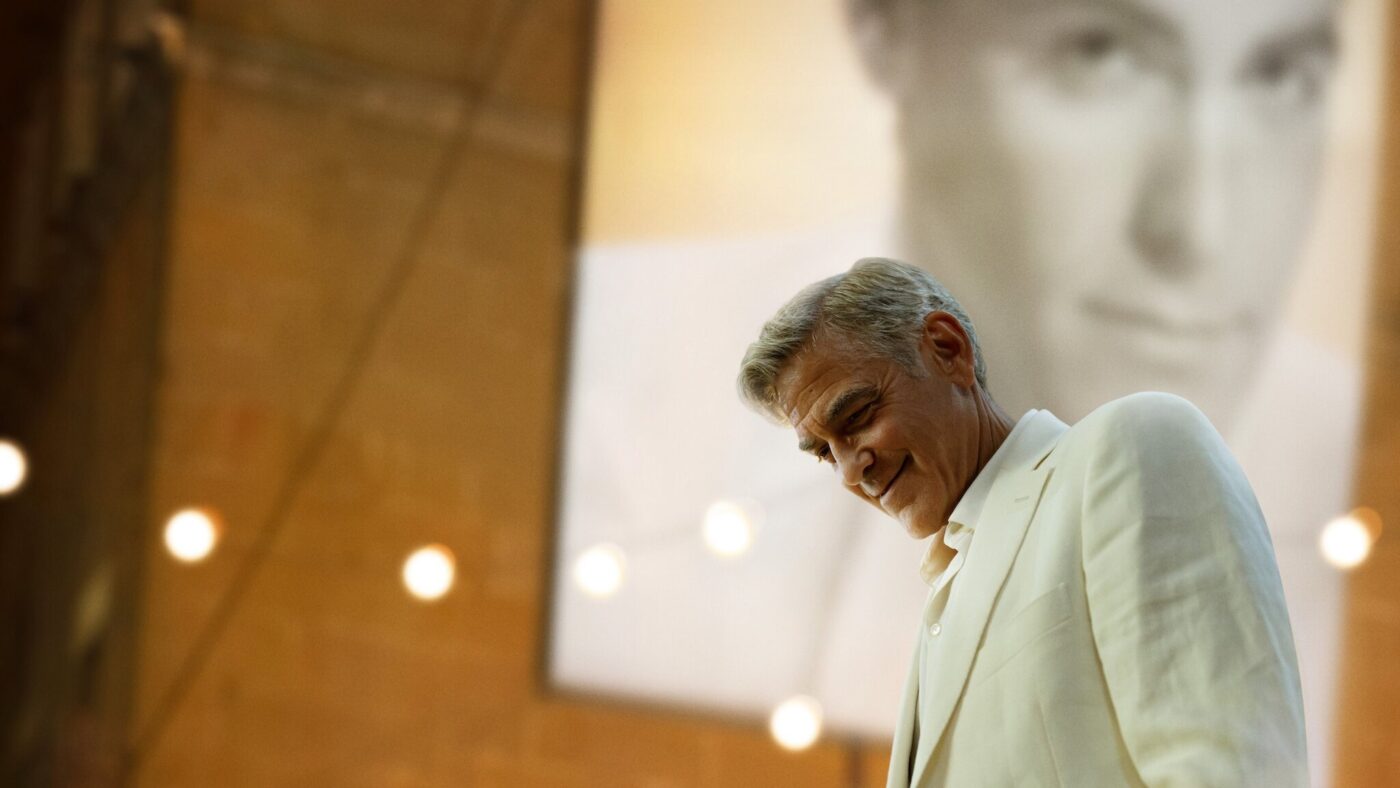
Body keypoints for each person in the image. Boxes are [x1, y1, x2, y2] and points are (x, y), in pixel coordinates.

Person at [738, 257, 1307, 786]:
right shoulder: (943, 594)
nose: (849, 470)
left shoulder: (1133, 444)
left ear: (947, 349)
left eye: (858, 415)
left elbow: (1228, 766)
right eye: (824, 452)